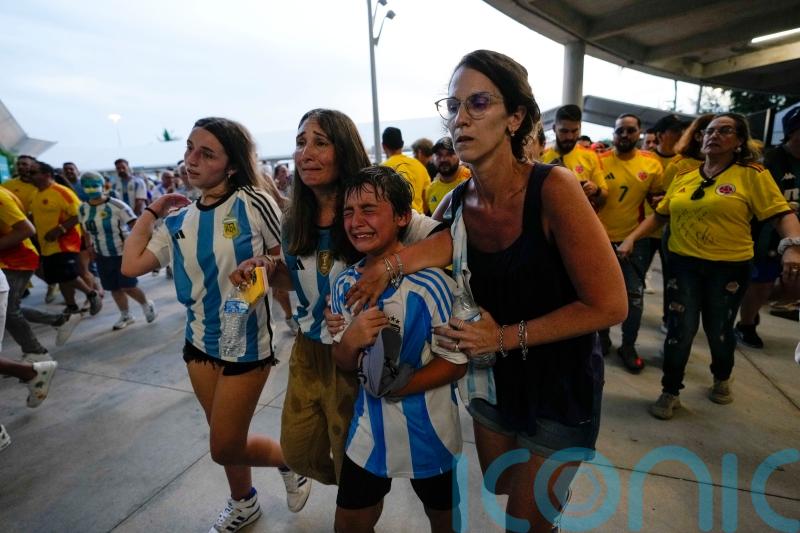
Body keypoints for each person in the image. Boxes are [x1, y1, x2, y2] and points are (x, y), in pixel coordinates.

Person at [346, 49, 626, 532]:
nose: (461, 119)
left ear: (515, 117)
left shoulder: (553, 188)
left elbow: (610, 305)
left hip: (560, 384)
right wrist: (385, 267)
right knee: (501, 485)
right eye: (453, 107)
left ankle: (546, 504)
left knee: (525, 519)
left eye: (478, 103)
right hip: (493, 382)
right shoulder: (457, 203)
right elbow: (426, 243)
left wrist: (502, 338)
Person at [229, 109, 442, 490]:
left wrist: (388, 266)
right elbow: (296, 277)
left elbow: (446, 240)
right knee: (297, 452)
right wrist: (266, 268)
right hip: (307, 351)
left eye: (320, 142)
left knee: (352, 467)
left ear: (343, 150)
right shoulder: (294, 216)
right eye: (300, 143)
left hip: (355, 355)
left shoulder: (371, 205)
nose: (306, 152)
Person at [121, 117, 309, 533]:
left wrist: (267, 264)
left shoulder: (251, 202)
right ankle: (244, 503)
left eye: (206, 153)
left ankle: (289, 460)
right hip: (198, 346)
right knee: (227, 440)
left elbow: (294, 272)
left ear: (231, 165)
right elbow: (131, 264)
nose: (191, 160)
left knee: (223, 445)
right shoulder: (177, 222)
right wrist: (152, 211)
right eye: (189, 149)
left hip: (248, 347)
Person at [617, 113, 800, 419]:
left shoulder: (752, 175)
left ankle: (721, 376)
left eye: (725, 131)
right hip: (683, 265)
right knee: (680, 329)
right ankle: (670, 390)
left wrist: (792, 248)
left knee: (719, 330)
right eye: (709, 131)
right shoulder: (685, 177)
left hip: (728, 268)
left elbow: (782, 214)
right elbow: (661, 215)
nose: (714, 135)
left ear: (739, 141)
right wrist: (631, 238)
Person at [330, 166, 467, 533]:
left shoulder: (434, 283)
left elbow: (456, 363)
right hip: (367, 435)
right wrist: (350, 340)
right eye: (348, 212)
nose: (356, 221)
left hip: (430, 434)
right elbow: (342, 362)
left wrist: (400, 387)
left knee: (444, 521)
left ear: (403, 216)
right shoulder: (345, 282)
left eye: (369, 210)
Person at [596, 114, 664, 371]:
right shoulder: (599, 161)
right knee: (600, 293)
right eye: (620, 131)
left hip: (635, 241)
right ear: (614, 134)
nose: (624, 135)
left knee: (634, 298)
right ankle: (602, 338)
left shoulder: (651, 164)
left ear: (640, 133)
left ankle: (628, 345)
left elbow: (659, 206)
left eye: (630, 131)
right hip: (599, 239)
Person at [736, 106, 800, 347]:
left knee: (791, 289)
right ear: (793, 131)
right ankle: (746, 324)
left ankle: (747, 303)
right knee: (761, 283)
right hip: (765, 235)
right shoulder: (770, 161)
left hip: (796, 236)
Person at [0, 185, 77, 358]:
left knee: (8, 311)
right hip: (7, 261)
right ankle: (60, 320)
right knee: (9, 307)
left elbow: (27, 229)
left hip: (17, 261)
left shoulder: (1, 197)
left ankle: (36, 354)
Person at [78, 172, 157, 330]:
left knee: (128, 286)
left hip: (123, 253)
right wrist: (89, 248)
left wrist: (141, 246)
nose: (91, 189)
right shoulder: (83, 209)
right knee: (114, 288)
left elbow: (136, 224)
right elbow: (85, 230)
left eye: (94, 185)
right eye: (87, 186)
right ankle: (126, 315)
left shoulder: (116, 205)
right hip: (102, 254)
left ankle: (146, 304)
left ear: (102, 185)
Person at [29, 162, 102, 317]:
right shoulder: (36, 194)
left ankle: (92, 294)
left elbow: (80, 213)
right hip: (46, 245)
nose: (30, 176)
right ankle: (71, 305)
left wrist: (60, 229)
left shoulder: (61, 192)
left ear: (47, 175)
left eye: (34, 172)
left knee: (68, 274)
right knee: (59, 277)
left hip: (65, 244)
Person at [541, 104, 608, 209]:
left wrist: (596, 190)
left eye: (574, 131)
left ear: (580, 128)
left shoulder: (590, 156)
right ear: (554, 128)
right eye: (564, 131)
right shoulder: (541, 157)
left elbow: (604, 198)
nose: (569, 137)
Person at [381, 127, 431, 214]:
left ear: (383, 146)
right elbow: (426, 200)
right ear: (402, 144)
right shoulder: (419, 166)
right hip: (419, 221)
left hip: (396, 222)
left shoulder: (382, 169)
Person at [423, 136, 471, 215]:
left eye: (450, 154)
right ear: (433, 158)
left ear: (459, 155)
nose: (443, 159)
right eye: (439, 155)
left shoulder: (473, 179)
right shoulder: (430, 189)